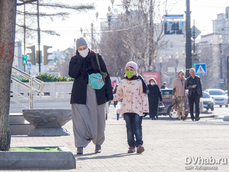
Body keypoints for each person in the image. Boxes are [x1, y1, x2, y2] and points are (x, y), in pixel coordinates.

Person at [68, 37, 113, 155]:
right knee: (80, 121)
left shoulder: (97, 57)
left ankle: (98, 144)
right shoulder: (74, 59)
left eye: (84, 48)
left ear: (88, 47)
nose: (83, 50)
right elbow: (72, 74)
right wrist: (79, 61)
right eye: (80, 49)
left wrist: (109, 94)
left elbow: (106, 75)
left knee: (99, 119)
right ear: (77, 49)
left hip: (98, 93)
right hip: (80, 95)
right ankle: (80, 146)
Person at [113, 61, 149, 154]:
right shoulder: (123, 82)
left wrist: (145, 109)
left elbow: (143, 95)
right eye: (127, 69)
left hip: (138, 109)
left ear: (135, 70)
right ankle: (131, 145)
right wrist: (110, 97)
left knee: (137, 127)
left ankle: (139, 145)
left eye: (131, 70)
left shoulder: (139, 81)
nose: (129, 71)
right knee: (129, 128)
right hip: (126, 108)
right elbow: (119, 94)